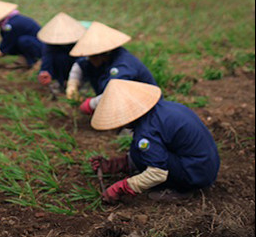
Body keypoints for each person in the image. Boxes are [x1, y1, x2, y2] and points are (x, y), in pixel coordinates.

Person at [89, 79, 220, 202]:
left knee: (145, 151)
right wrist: (119, 164)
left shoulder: (147, 130)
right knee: (140, 149)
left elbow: (158, 173)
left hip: (198, 172)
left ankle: (182, 188)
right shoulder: (159, 109)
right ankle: (131, 165)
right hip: (205, 164)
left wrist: (124, 187)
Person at [66, 21, 158, 115]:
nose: (88, 59)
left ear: (101, 55)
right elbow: (80, 64)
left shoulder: (122, 66)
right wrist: (72, 84)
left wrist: (91, 104)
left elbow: (114, 94)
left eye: (91, 56)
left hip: (143, 108)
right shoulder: (102, 59)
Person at [0, 0, 44, 69]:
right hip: (35, 44)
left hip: (40, 46)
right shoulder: (10, 21)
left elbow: (6, 44)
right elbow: (6, 42)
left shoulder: (11, 25)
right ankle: (26, 58)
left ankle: (35, 62)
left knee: (23, 41)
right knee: (14, 44)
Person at [36, 13, 88, 91]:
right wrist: (44, 71)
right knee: (60, 58)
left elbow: (84, 59)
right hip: (65, 62)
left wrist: (74, 80)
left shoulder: (82, 38)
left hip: (81, 62)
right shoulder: (51, 42)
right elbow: (47, 56)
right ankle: (62, 82)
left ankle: (83, 83)